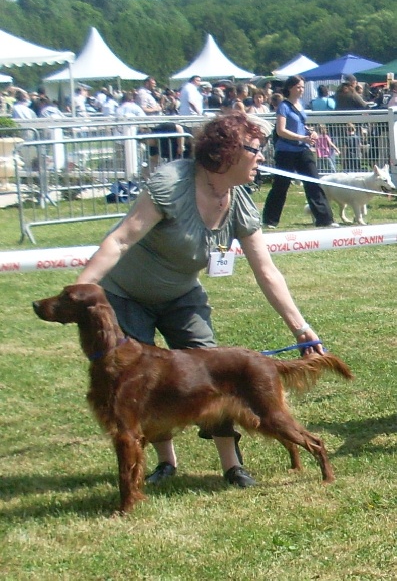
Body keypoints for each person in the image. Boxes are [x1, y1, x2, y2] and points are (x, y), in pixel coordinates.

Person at [75, 111, 326, 489]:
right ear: (227, 153)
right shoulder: (172, 185)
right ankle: (165, 463)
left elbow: (266, 270)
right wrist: (80, 291)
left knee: (215, 371)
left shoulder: (238, 200)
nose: (261, 157)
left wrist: (300, 327)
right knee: (143, 382)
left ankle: (232, 465)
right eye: (255, 150)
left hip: (181, 293)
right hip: (127, 294)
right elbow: (121, 240)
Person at [263, 75, 337, 229]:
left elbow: (301, 125)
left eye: (303, 87)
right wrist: (301, 138)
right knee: (281, 185)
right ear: (290, 88)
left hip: (303, 149)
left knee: (314, 183)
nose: (301, 90)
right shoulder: (283, 106)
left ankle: (325, 219)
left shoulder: (301, 104)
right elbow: (281, 130)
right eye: (298, 87)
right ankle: (270, 220)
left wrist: (311, 133)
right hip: (286, 151)